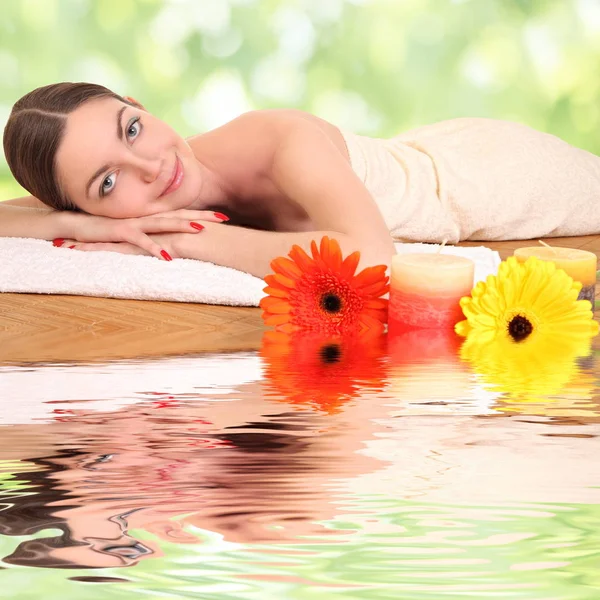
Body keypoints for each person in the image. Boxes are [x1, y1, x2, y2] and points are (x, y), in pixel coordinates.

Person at [2, 82, 600, 278]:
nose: (150, 165)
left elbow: (371, 257)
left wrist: (188, 241)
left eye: (131, 129)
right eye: (107, 183)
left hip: (489, 176)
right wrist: (71, 222)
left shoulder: (274, 139)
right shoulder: (120, 203)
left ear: (139, 104)